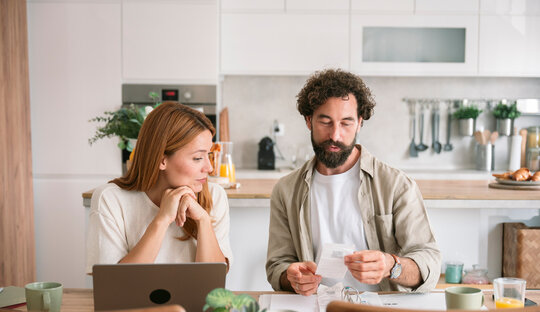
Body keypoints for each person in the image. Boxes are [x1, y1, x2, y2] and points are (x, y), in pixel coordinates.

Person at [266, 69, 441, 295]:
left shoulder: (396, 185)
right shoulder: (286, 190)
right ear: (309, 121)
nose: (335, 135)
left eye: (346, 123)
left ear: (359, 123)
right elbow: (276, 266)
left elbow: (430, 263)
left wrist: (392, 266)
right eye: (325, 121)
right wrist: (291, 277)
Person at [86, 102, 232, 274]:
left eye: (208, 155)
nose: (209, 168)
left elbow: (213, 284)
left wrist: (203, 220)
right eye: (198, 158)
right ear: (162, 160)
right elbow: (114, 283)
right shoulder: (110, 199)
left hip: (194, 303)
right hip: (133, 302)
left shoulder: (215, 195)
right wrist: (161, 220)